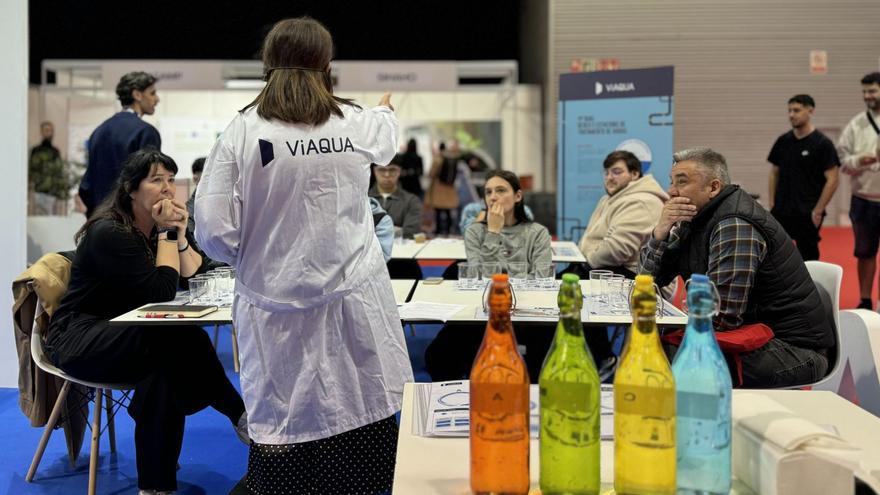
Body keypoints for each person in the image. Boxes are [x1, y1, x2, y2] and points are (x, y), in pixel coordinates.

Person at [194, 17, 413, 495]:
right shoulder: (353, 121)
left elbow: (210, 225)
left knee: (287, 411)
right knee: (359, 403)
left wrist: (255, 255)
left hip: (272, 305)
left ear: (267, 65)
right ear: (327, 65)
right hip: (352, 298)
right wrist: (386, 110)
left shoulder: (242, 130)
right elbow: (387, 136)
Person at [45, 149, 247, 494]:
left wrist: (180, 235)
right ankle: (240, 415)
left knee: (163, 371)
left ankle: (156, 486)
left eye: (171, 179)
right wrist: (169, 234)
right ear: (131, 189)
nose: (168, 189)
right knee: (178, 342)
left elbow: (193, 274)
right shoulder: (111, 231)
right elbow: (163, 291)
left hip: (126, 332)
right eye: (156, 180)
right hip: (80, 335)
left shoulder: (153, 229)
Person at [640, 147, 833, 388]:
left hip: (792, 351)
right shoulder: (695, 219)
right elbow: (645, 282)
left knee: (664, 359)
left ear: (713, 187)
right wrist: (660, 233)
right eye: (671, 182)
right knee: (651, 345)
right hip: (755, 335)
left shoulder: (734, 223)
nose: (671, 191)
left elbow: (722, 318)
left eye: (682, 182)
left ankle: (686, 424)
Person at [426, 170, 553, 382]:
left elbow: (540, 281)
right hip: (483, 312)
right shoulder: (475, 232)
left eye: (501, 190)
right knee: (437, 356)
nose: (492, 197)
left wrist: (504, 278)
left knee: (544, 353)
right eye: (488, 192)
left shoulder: (537, 233)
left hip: (527, 313)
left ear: (518, 196)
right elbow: (480, 278)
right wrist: (493, 233)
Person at [768, 94, 840, 261]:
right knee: (778, 256)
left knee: (808, 257)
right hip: (782, 210)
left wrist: (819, 209)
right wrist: (772, 203)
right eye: (789, 111)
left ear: (810, 111)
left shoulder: (822, 143)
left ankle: (810, 287)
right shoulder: (783, 141)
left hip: (808, 212)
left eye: (797, 110)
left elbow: (833, 179)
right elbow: (774, 173)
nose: (792, 114)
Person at [79, 71, 161, 218]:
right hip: (130, 222)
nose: (157, 99)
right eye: (152, 93)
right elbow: (151, 183)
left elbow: (86, 186)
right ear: (137, 95)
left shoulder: (99, 131)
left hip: (98, 220)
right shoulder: (146, 132)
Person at [576, 150, 669, 278]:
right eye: (606, 173)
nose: (609, 177)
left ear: (635, 174)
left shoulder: (640, 201)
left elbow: (615, 251)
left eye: (616, 172)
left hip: (625, 275)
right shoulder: (609, 199)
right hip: (596, 266)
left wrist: (587, 263)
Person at [837, 72, 880, 309]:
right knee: (865, 252)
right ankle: (865, 299)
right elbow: (842, 161)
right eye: (864, 91)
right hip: (864, 200)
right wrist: (863, 160)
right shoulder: (856, 124)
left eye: (872, 91)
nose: (867, 96)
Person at [369, 155, 423, 238]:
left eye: (392, 170)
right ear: (375, 171)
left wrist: (375, 231)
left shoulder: (411, 201)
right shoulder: (364, 200)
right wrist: (396, 230)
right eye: (382, 169)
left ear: (399, 171)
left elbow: (411, 231)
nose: (387, 175)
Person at [29, 121, 68, 215]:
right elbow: (31, 170)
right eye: (46, 130)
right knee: (40, 215)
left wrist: (61, 191)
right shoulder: (36, 151)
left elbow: (59, 172)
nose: (48, 132)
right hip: (39, 190)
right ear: (41, 132)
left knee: (51, 217)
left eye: (50, 130)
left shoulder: (55, 152)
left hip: (53, 192)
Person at [426, 141, 460, 235]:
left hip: (439, 188)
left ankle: (439, 230)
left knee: (438, 210)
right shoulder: (452, 158)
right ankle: (449, 230)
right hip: (450, 189)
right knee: (448, 210)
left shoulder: (438, 159)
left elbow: (431, 173)